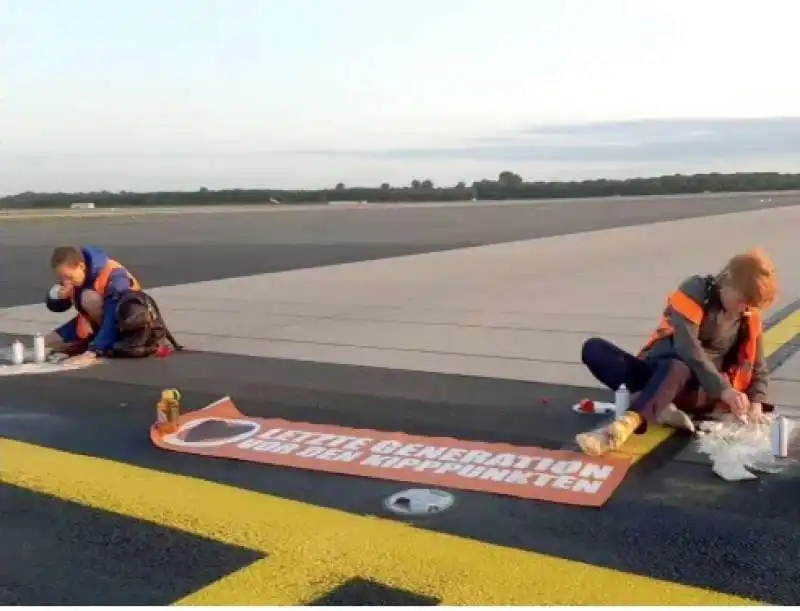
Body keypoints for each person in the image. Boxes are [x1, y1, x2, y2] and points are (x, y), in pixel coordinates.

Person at [576, 247, 778, 457]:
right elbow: (687, 346)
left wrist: (755, 403)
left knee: (676, 367)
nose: (743, 309)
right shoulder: (696, 291)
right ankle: (660, 405)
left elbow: (758, 365)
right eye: (741, 301)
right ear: (728, 280)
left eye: (750, 306)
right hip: (658, 370)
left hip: (697, 388)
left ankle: (626, 425)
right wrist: (724, 389)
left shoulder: (747, 316)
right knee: (594, 349)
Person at [44, 245, 142, 364]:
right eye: (61, 277)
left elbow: (112, 316)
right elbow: (57, 306)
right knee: (45, 341)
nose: (65, 282)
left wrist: (93, 351)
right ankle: (94, 341)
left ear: (81, 266)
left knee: (88, 298)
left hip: (127, 326)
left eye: (68, 277)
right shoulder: (76, 275)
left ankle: (106, 343)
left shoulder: (114, 275)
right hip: (93, 324)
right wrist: (58, 297)